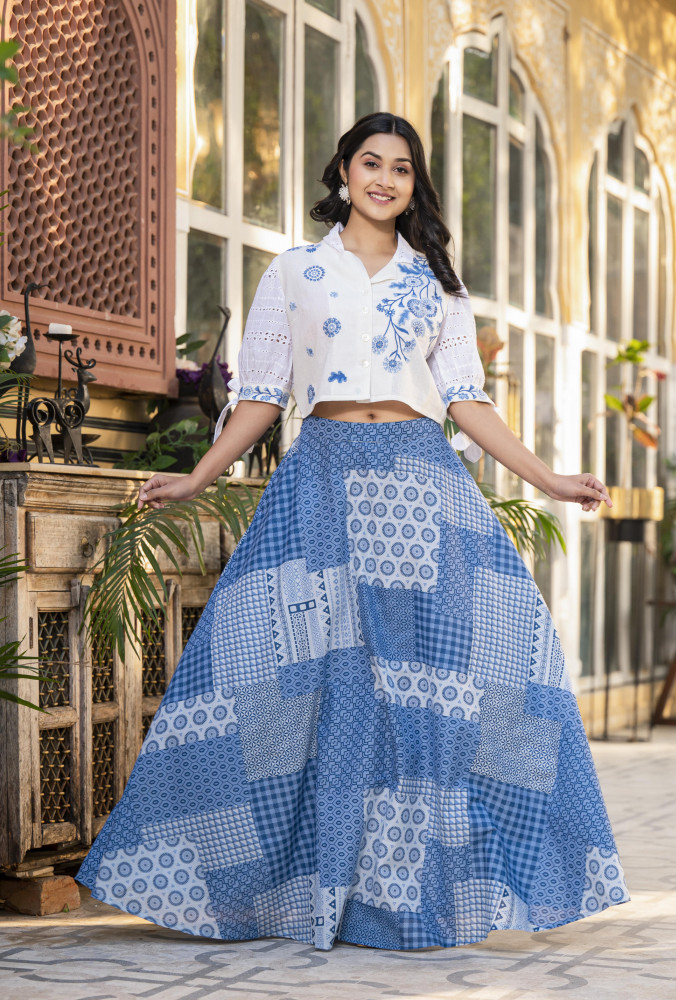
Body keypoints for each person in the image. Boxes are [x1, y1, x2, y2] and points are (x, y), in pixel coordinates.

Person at [76, 112, 629, 950]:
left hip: (419, 485)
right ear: (342, 169)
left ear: (415, 185)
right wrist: (197, 477)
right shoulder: (296, 271)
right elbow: (261, 395)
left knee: (457, 675)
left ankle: (428, 891)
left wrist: (549, 480)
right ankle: (264, 886)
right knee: (282, 680)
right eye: (371, 163)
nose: (385, 180)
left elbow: (467, 404)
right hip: (323, 478)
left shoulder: (437, 282)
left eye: (402, 169)